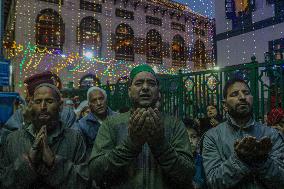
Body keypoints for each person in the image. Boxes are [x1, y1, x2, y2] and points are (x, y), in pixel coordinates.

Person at [89, 64, 194, 189]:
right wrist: (131, 144)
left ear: (158, 91)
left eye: (151, 83)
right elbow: (95, 172)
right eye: (138, 83)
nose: (145, 87)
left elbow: (187, 174)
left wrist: (160, 144)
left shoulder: (174, 124)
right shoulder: (111, 124)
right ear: (129, 91)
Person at [0, 83, 88, 188]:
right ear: (31, 105)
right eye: (38, 102)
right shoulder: (13, 139)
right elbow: (4, 181)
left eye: (49, 101)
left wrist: (53, 162)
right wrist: (28, 161)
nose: (43, 107)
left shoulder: (74, 139)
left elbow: (84, 182)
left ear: (60, 106)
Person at [202, 77, 284, 188]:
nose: (242, 97)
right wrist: (239, 159)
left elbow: (281, 181)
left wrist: (263, 161)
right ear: (225, 105)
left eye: (246, 93)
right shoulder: (212, 137)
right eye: (235, 94)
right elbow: (214, 183)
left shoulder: (271, 134)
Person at [74, 87, 117, 157]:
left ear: (106, 100)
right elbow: (83, 153)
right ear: (89, 104)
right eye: (94, 100)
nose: (99, 103)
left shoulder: (117, 118)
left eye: (101, 99)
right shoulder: (82, 125)